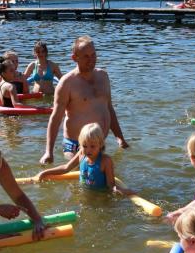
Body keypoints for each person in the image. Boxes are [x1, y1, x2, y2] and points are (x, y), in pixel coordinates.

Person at [40, 36, 129, 164]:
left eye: (93, 55)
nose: (91, 60)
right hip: (75, 145)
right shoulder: (67, 83)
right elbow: (56, 117)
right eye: (86, 56)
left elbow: (108, 108)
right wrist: (49, 152)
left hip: (99, 145)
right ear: (74, 58)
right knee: (80, 181)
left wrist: (120, 138)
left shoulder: (103, 77)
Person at [36, 122, 134, 194]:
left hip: (99, 195)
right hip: (83, 192)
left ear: (100, 144)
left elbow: (111, 186)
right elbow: (66, 168)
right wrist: (45, 172)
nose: (88, 150)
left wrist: (126, 191)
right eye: (84, 146)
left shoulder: (105, 161)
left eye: (92, 146)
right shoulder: (81, 154)